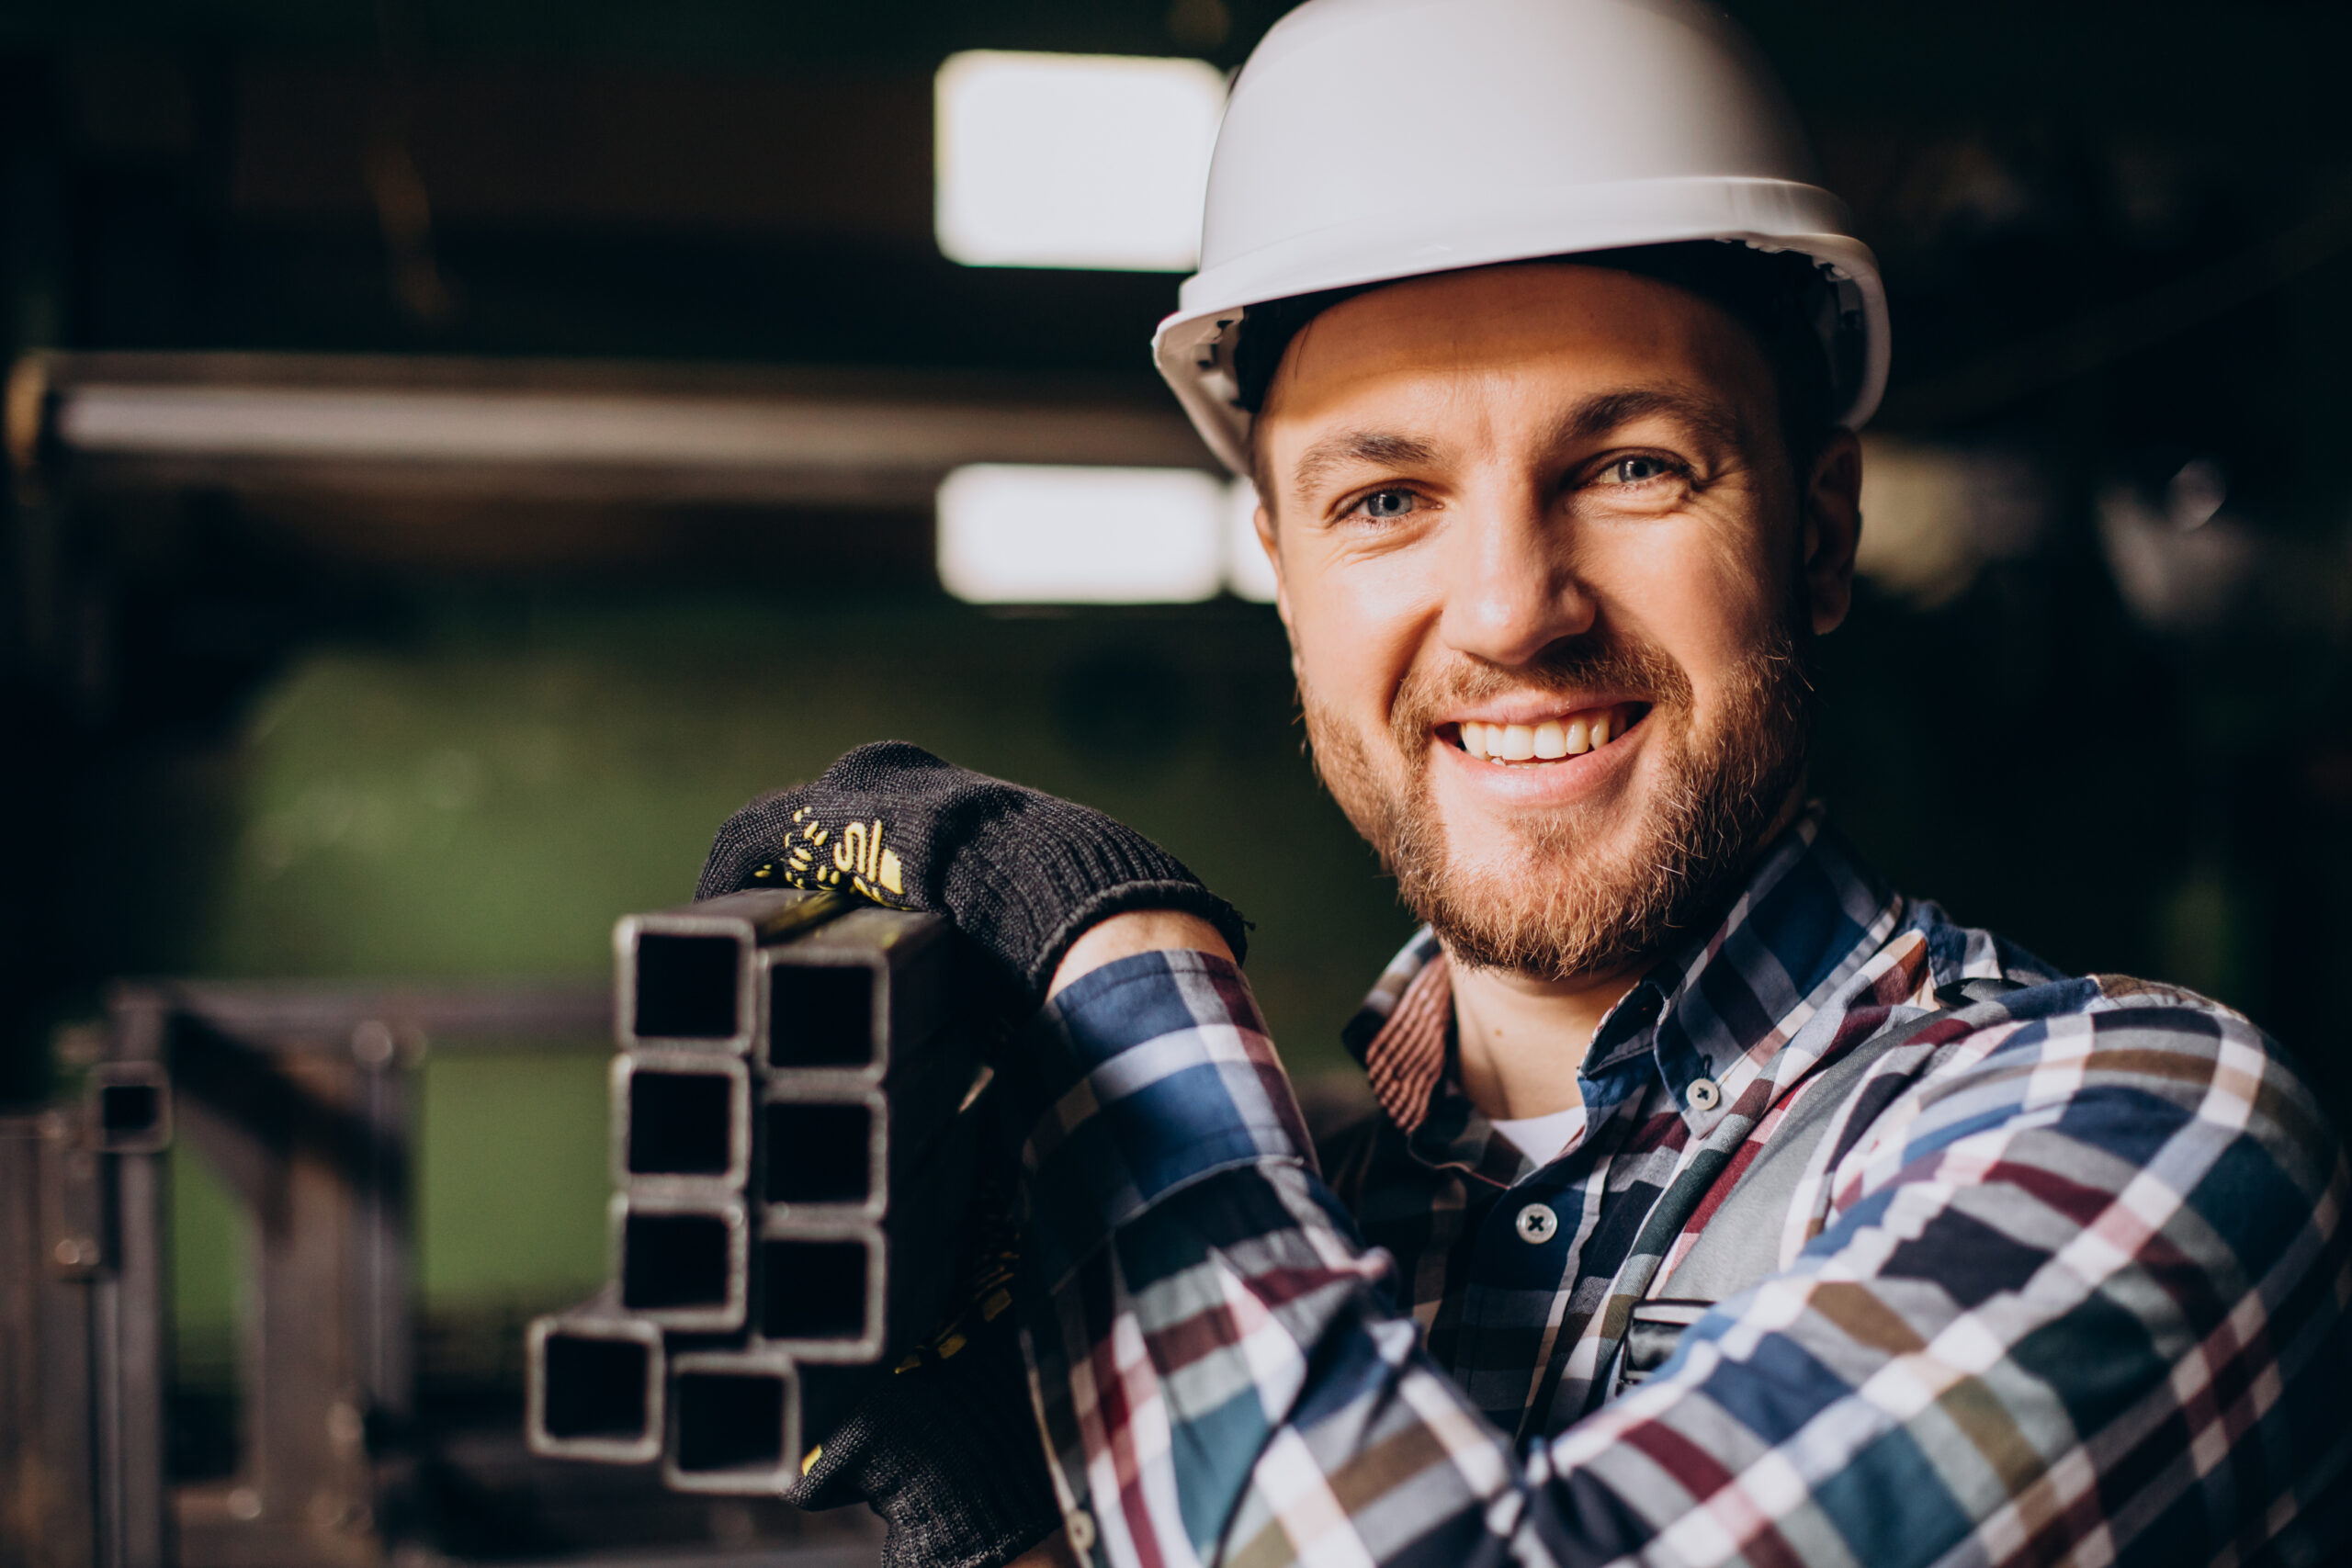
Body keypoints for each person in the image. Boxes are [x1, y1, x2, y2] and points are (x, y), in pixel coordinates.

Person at [699, 1, 2351, 1563]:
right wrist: (1012, 1515)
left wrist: (1115, 965)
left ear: (1820, 530)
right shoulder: (1309, 1234)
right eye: (1385, 500)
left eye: (1631, 465)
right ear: (1283, 574)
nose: (1510, 609)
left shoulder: (2146, 1135)